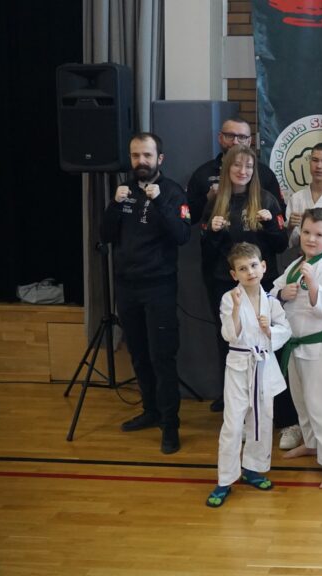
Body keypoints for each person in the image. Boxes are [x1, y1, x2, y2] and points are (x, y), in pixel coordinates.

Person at [100, 132, 191, 454]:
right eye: (136, 155)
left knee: (161, 357)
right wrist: (114, 204)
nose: (141, 161)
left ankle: (170, 425)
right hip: (127, 286)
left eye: (147, 155)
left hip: (159, 287)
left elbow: (182, 236)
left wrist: (159, 202)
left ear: (159, 159)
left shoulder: (173, 192)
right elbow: (105, 235)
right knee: (138, 354)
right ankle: (150, 411)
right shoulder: (123, 191)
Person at [200, 145, 288, 412]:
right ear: (227, 168)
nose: (242, 171)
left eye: (248, 166)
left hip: (262, 284)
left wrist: (271, 224)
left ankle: (273, 403)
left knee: (265, 336)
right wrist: (212, 233)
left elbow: (281, 245)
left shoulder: (266, 200)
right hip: (226, 285)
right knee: (230, 339)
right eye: (237, 165)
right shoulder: (216, 202)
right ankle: (234, 400)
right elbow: (205, 252)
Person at [206, 243, 291, 507]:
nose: (250, 272)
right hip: (238, 366)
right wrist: (235, 309)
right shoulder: (229, 298)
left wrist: (270, 331)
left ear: (263, 266)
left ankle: (253, 469)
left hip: (263, 365)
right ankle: (225, 479)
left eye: (253, 266)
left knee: (262, 420)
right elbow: (229, 335)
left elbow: (286, 330)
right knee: (233, 425)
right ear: (234, 274)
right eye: (242, 269)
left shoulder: (271, 301)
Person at [273, 208, 322, 489]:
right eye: (306, 232)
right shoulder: (296, 264)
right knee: (302, 400)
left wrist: (313, 285)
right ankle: (312, 443)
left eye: (319, 234)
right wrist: (282, 293)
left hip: (320, 347)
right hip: (296, 346)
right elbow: (273, 291)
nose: (311, 239)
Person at [187, 117, 283, 225]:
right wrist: (207, 198)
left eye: (242, 137)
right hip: (216, 234)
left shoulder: (265, 174)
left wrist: (267, 219)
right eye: (230, 136)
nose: (235, 142)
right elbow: (188, 218)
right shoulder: (202, 173)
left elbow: (280, 215)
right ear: (220, 138)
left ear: (249, 141)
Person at [286, 143, 322, 251]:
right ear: (310, 162)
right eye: (315, 160)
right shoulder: (296, 198)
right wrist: (290, 227)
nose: (319, 166)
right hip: (303, 257)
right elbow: (291, 243)